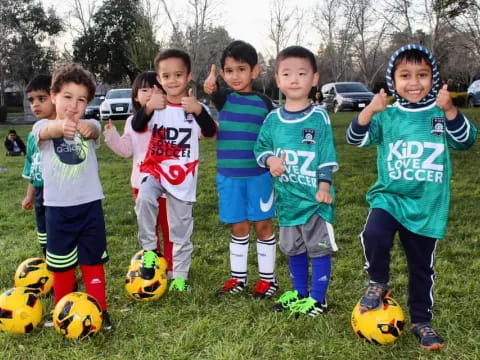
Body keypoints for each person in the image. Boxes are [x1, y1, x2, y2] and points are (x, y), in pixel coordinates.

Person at [346, 44, 477, 350]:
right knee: (373, 233)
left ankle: (422, 321)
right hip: (390, 198)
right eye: (405, 75)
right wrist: (369, 110)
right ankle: (377, 282)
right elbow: (354, 138)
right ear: (393, 81)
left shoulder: (439, 114)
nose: (414, 82)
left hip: (426, 206)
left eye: (422, 75)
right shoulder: (387, 115)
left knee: (421, 267)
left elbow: (467, 140)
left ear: (434, 79)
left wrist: (450, 110)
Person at [254, 46, 339, 317]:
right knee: (293, 248)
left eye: (302, 73)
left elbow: (326, 156)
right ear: (278, 80)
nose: (294, 79)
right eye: (287, 74)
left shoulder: (318, 118)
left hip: (314, 201)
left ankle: (318, 299)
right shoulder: (272, 120)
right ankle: (300, 292)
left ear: (314, 78)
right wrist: (271, 161)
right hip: (288, 201)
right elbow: (260, 148)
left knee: (318, 249)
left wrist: (324, 186)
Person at [32, 63, 112, 330]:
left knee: (93, 261)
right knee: (61, 264)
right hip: (58, 209)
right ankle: (63, 311)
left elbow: (96, 129)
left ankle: (99, 310)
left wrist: (91, 127)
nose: (74, 105)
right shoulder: (42, 126)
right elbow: (43, 133)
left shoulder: (87, 125)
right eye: (67, 97)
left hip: (90, 207)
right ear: (53, 96)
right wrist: (58, 129)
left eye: (81, 100)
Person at [131, 49, 217, 292]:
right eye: (166, 76)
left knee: (180, 230)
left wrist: (198, 111)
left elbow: (210, 132)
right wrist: (147, 108)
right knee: (145, 197)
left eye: (178, 74)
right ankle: (149, 251)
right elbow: (137, 127)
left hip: (183, 178)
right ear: (159, 79)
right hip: (155, 170)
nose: (172, 80)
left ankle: (179, 277)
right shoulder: (155, 105)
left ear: (188, 76)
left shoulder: (195, 107)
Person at [203, 40, 278, 299]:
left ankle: (268, 281)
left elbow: (276, 134)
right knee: (238, 227)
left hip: (259, 177)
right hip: (229, 177)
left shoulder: (265, 103)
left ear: (255, 72)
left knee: (263, 226)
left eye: (242, 69)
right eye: (230, 70)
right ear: (223, 73)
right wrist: (211, 86)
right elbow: (213, 91)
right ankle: (238, 278)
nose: (236, 76)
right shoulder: (224, 99)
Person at [104, 72, 173, 277]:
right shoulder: (132, 121)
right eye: (144, 90)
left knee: (170, 229)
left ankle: (171, 267)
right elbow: (126, 150)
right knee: (149, 227)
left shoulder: (170, 118)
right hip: (141, 185)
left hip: (169, 185)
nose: (151, 93)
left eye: (156, 89)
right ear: (135, 96)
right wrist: (112, 136)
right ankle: (151, 258)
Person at [22, 74, 57, 255]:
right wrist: (29, 196)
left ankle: (65, 270)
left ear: (55, 97)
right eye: (31, 100)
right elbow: (32, 170)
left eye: (41, 98)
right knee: (44, 234)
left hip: (59, 192)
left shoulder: (62, 129)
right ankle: (49, 262)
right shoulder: (31, 136)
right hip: (40, 194)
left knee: (60, 234)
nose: (35, 104)